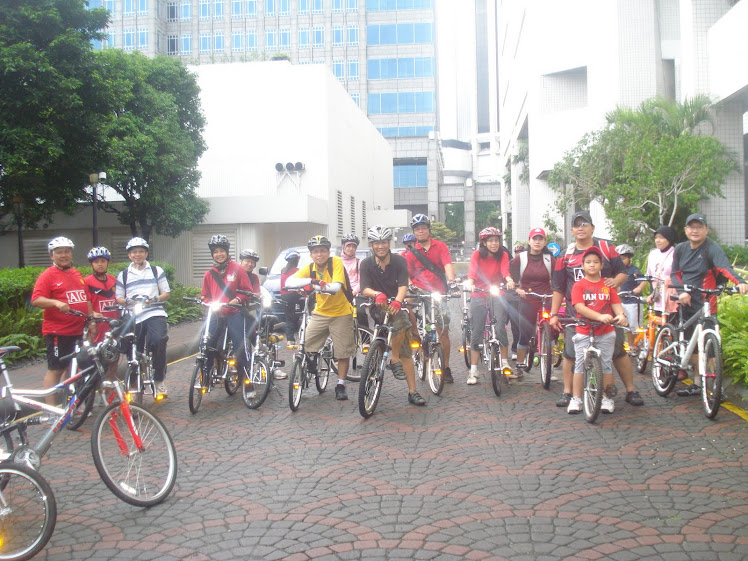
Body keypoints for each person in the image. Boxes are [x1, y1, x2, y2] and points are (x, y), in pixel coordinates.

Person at [549, 211, 644, 408]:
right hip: (575, 315)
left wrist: (615, 281)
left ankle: (630, 390)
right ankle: (569, 394)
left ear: (593, 227)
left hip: (607, 315)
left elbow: (623, 272)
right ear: (572, 230)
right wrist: (554, 314)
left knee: (617, 351)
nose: (581, 228)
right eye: (577, 225)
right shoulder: (565, 255)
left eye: (585, 224)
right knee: (570, 353)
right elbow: (558, 287)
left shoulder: (606, 248)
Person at [670, 213, 748, 396]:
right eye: (691, 227)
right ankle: (697, 383)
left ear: (706, 230)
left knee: (710, 346)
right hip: (686, 300)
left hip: (706, 302)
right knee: (692, 345)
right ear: (685, 230)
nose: (695, 230)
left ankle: (716, 387)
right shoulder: (680, 248)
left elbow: (724, 267)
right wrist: (682, 291)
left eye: (699, 227)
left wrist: (740, 282)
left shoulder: (711, 248)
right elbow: (675, 273)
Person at [360, 225, 426, 406]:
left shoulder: (399, 261)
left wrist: (397, 301)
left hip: (397, 303)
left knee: (406, 351)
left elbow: (403, 284)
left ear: (389, 243)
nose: (380, 246)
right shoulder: (366, 263)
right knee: (401, 322)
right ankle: (391, 360)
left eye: (383, 242)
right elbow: (364, 287)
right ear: (372, 245)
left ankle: (412, 391)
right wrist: (376, 294)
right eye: (376, 243)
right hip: (378, 305)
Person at [285, 236, 355, 401]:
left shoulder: (336, 262)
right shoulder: (310, 268)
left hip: (341, 312)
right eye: (315, 251)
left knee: (342, 352)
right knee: (306, 345)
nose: (319, 254)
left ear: (328, 252)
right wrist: (310, 280)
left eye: (323, 251)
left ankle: (340, 384)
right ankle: (312, 366)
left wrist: (313, 285)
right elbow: (289, 281)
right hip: (321, 312)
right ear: (311, 255)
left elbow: (336, 287)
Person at [31, 237, 92, 404]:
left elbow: (86, 299)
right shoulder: (48, 276)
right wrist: (55, 302)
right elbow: (36, 299)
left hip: (78, 330)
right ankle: (51, 410)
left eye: (67, 251)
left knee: (71, 369)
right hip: (59, 332)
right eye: (59, 252)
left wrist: (91, 320)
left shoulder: (76, 274)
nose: (64, 255)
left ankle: (68, 403)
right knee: (56, 369)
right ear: (52, 256)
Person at [568, 246, 628, 414]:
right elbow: (580, 307)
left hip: (606, 332)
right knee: (580, 366)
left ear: (602, 265)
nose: (592, 265)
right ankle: (576, 398)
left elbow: (615, 303)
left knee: (607, 365)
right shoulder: (579, 285)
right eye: (588, 262)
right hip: (584, 330)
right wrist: (599, 316)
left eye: (596, 262)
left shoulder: (607, 285)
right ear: (582, 266)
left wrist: (621, 315)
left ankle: (607, 398)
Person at [404, 214, 459, 383]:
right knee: (405, 305)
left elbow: (447, 265)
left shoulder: (440, 246)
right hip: (419, 290)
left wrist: (451, 282)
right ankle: (415, 332)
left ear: (429, 229)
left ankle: (447, 367)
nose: (420, 232)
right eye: (417, 229)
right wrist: (409, 284)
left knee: (443, 330)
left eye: (423, 228)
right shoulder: (411, 252)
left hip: (438, 290)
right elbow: (405, 274)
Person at [115, 237, 171, 397]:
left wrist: (155, 299)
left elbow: (166, 293)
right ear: (129, 255)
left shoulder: (156, 271)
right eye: (134, 252)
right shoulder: (123, 275)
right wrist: (127, 301)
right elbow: (118, 297)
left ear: (146, 253)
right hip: (133, 314)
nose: (137, 254)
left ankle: (159, 378)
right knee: (133, 350)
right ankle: (134, 383)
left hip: (154, 312)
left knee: (159, 341)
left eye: (140, 251)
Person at [201, 235, 253, 389]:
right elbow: (204, 295)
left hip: (234, 313)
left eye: (221, 251)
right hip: (217, 314)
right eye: (215, 251)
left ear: (227, 252)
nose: (219, 254)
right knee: (206, 343)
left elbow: (247, 291)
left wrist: (236, 300)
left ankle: (247, 378)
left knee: (240, 345)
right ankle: (207, 374)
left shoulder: (238, 269)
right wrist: (207, 302)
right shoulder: (209, 273)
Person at [464, 227, 515, 385]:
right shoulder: (477, 254)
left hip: (496, 292)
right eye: (490, 240)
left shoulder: (504, 255)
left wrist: (509, 280)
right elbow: (472, 271)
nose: (494, 243)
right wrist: (471, 284)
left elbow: (505, 271)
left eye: (496, 240)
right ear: (484, 243)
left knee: (500, 327)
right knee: (477, 331)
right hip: (478, 293)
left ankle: (505, 362)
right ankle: (473, 370)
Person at [510, 228, 556, 379]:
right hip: (528, 298)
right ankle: (520, 365)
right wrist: (517, 289)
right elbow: (510, 276)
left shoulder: (550, 259)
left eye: (540, 239)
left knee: (551, 332)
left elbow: (558, 278)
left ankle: (549, 366)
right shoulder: (520, 258)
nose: (537, 242)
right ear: (529, 241)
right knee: (525, 333)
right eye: (534, 239)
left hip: (546, 298)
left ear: (544, 242)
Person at [84, 246, 119, 380]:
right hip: (97, 327)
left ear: (108, 263)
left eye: (103, 261)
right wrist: (91, 316)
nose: (100, 264)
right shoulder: (87, 282)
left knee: (113, 358)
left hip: (112, 325)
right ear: (91, 264)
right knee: (96, 360)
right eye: (96, 261)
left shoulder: (113, 280)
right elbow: (85, 301)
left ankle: (110, 390)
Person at [615, 244, 647, 348]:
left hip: (634, 302)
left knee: (635, 327)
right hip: (623, 301)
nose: (621, 261)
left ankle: (640, 346)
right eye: (619, 259)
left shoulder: (634, 270)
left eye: (623, 259)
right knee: (627, 327)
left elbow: (643, 280)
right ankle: (631, 347)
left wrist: (638, 289)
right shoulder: (619, 271)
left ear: (630, 258)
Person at [645, 225, 678, 319]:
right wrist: (652, 294)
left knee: (671, 327)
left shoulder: (675, 253)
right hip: (657, 296)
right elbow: (651, 277)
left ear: (669, 238)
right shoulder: (653, 254)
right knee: (660, 327)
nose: (658, 240)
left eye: (661, 237)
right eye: (656, 237)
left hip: (671, 298)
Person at [340, 233, 369, 329]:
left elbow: (362, 281)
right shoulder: (338, 262)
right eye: (348, 246)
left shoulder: (359, 262)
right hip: (341, 294)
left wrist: (353, 292)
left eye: (353, 246)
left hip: (356, 294)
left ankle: (366, 342)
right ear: (343, 247)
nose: (351, 248)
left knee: (360, 313)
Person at [280, 250, 302, 343]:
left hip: (283, 296)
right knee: (300, 313)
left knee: (289, 318)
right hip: (294, 295)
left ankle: (290, 339)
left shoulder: (283, 270)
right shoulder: (297, 271)